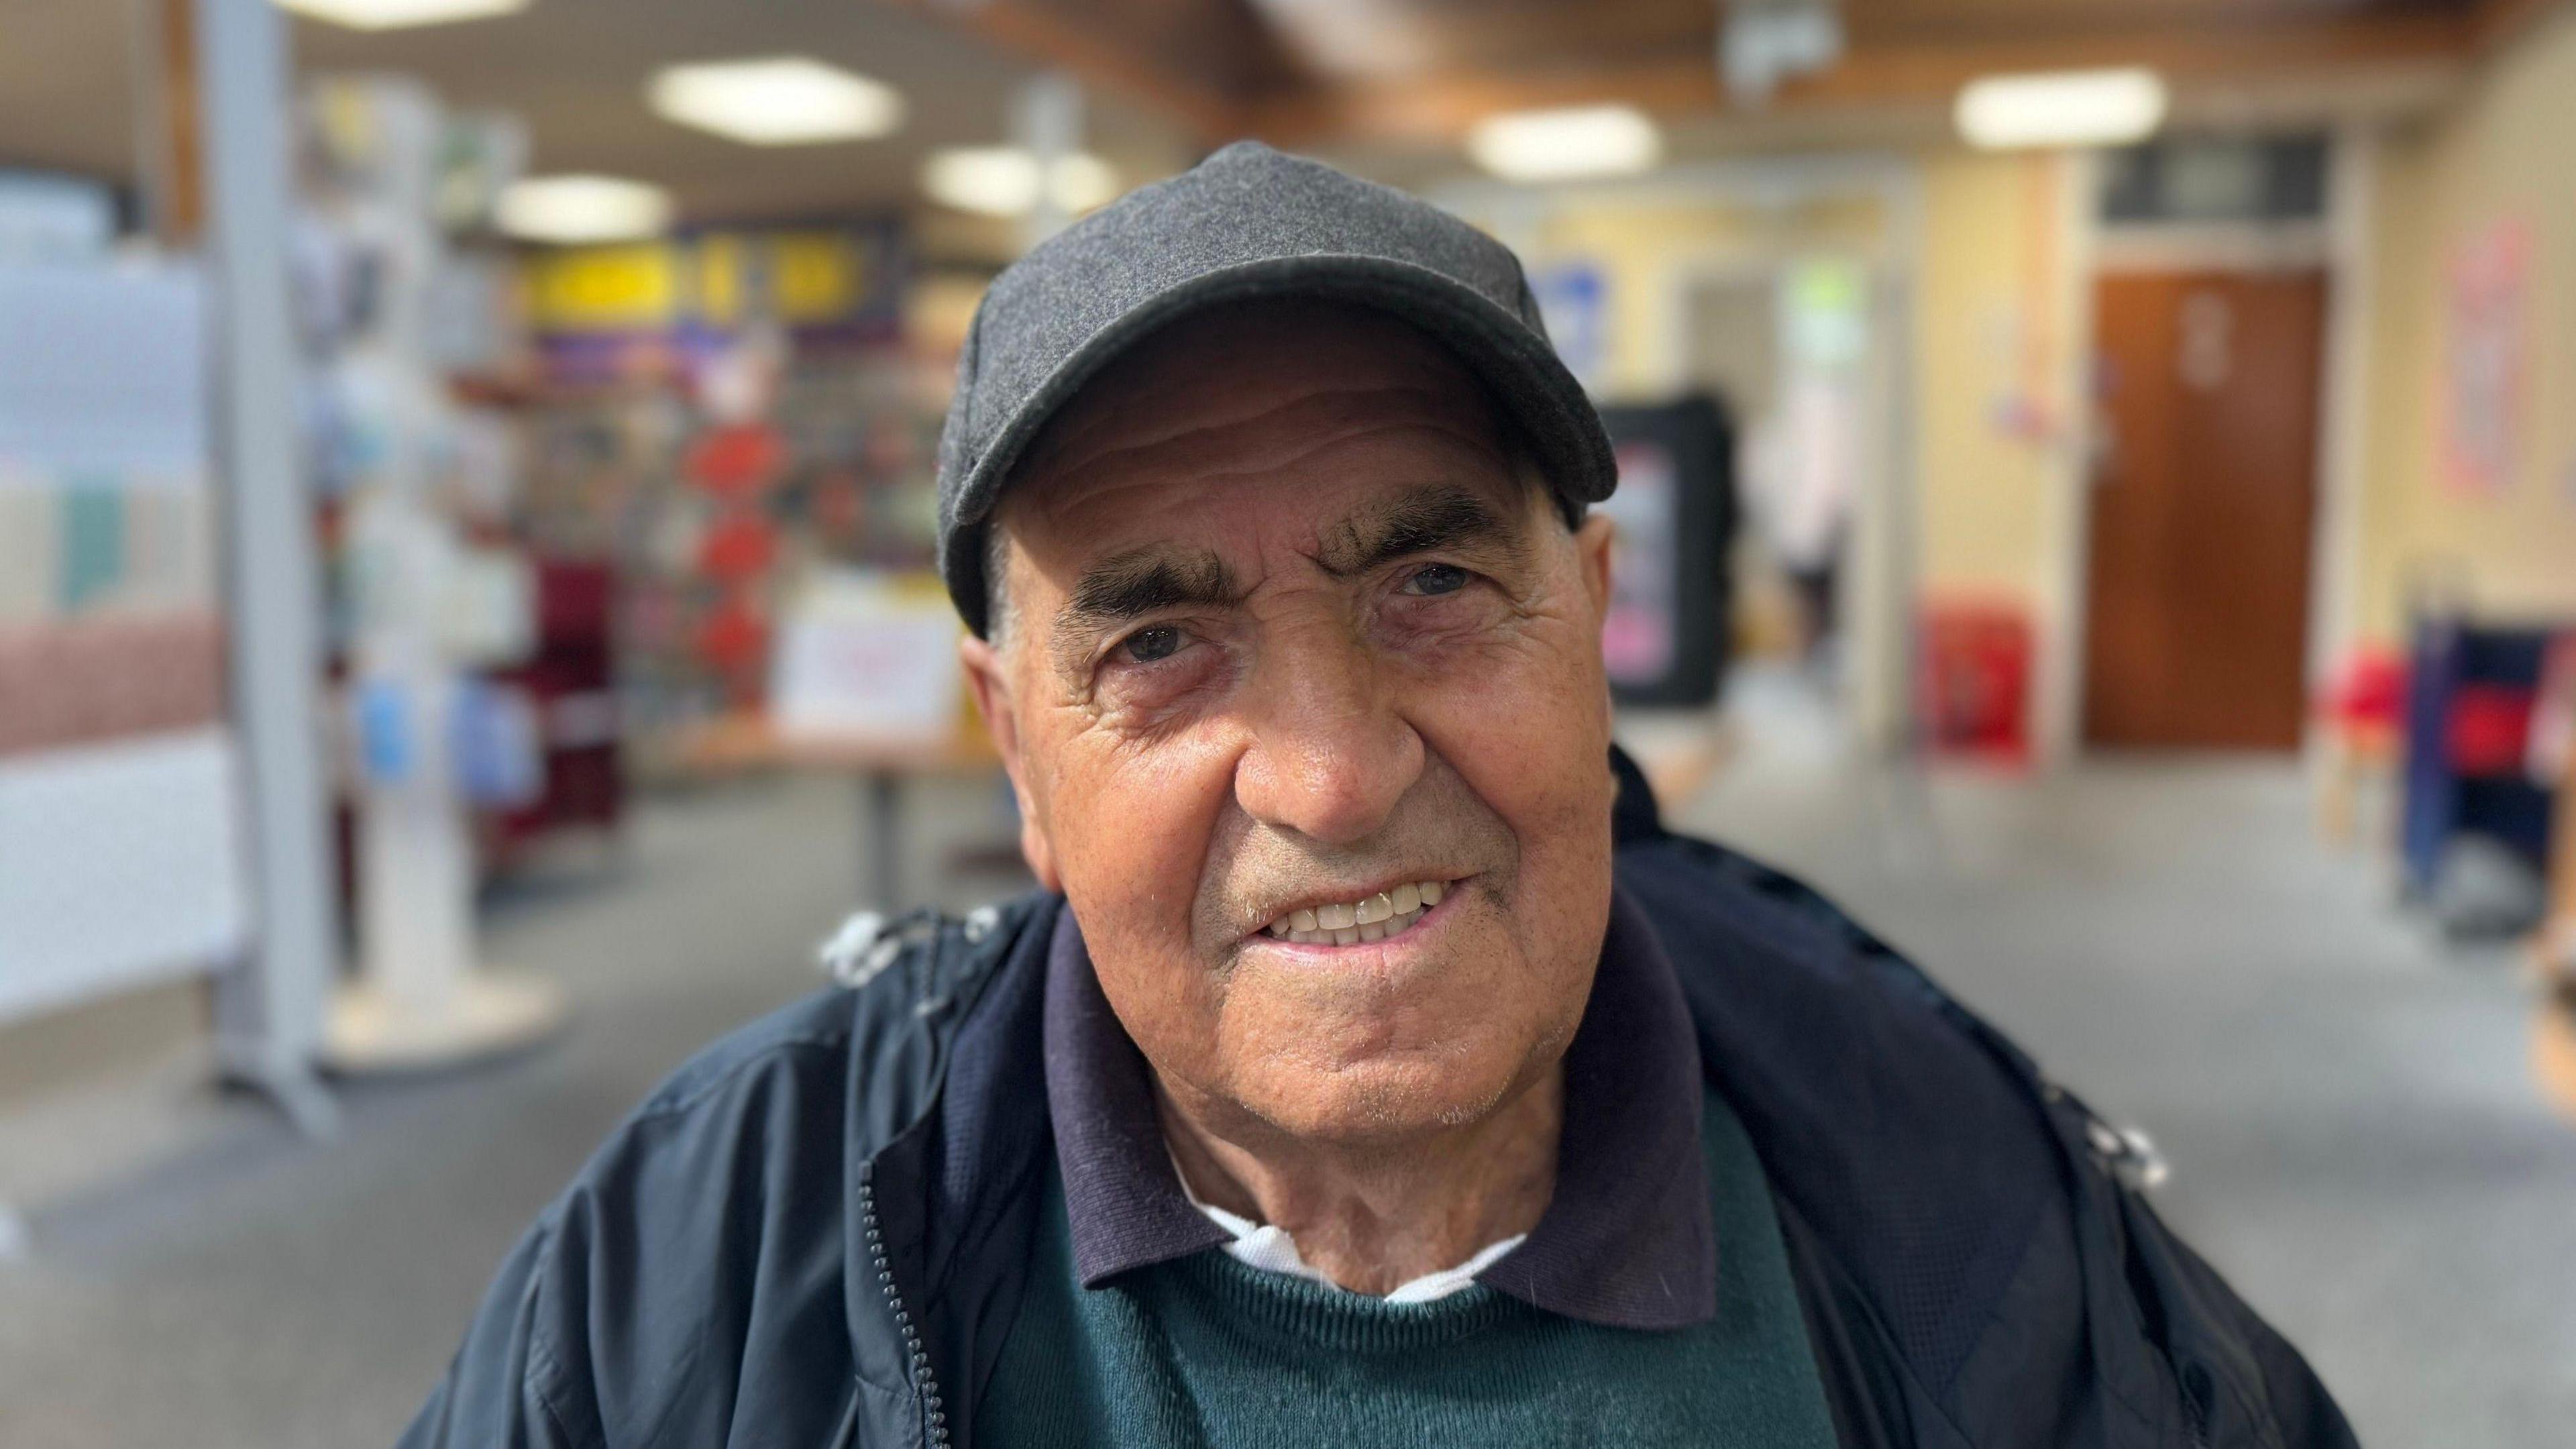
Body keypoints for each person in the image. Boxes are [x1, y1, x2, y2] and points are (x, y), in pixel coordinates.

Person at [402, 142, 2354, 1449]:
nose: (1333, 777)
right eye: (1158, 643)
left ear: (1588, 623)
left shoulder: (1964, 1196)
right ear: (1017, 750)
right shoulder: (702, 1258)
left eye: (1428, 586)